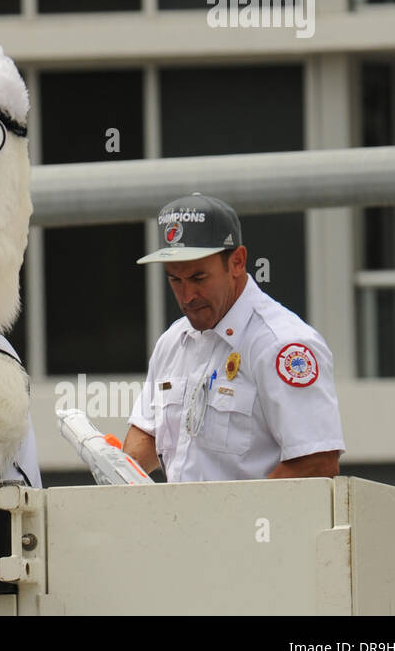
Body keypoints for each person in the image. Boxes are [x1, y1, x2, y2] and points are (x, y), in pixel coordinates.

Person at [122, 193, 344, 482]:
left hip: (257, 527)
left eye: (199, 278)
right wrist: (116, 467)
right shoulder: (173, 341)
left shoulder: (284, 345)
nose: (187, 296)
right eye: (175, 280)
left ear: (237, 262)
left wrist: (238, 524)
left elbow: (316, 462)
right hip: (179, 525)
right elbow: (146, 436)